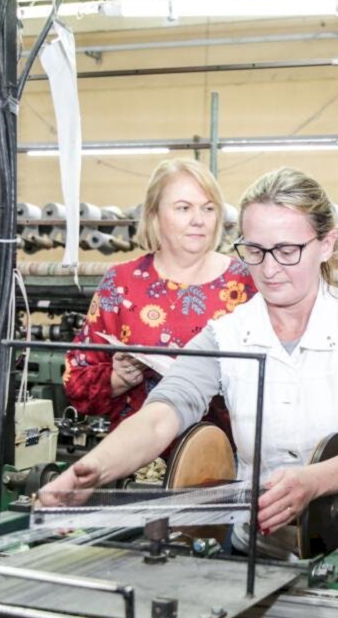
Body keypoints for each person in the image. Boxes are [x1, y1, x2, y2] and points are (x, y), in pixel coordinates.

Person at [42, 167, 338, 558]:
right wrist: (90, 472)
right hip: (258, 543)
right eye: (254, 251)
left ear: (325, 244)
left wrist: (313, 482)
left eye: (287, 251)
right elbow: (161, 415)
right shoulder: (227, 331)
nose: (268, 270)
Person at [63, 159, 256, 440]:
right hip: (141, 462)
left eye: (208, 208)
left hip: (226, 458)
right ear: (154, 215)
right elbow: (76, 381)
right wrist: (118, 380)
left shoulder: (246, 282)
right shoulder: (121, 283)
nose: (198, 220)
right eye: (183, 208)